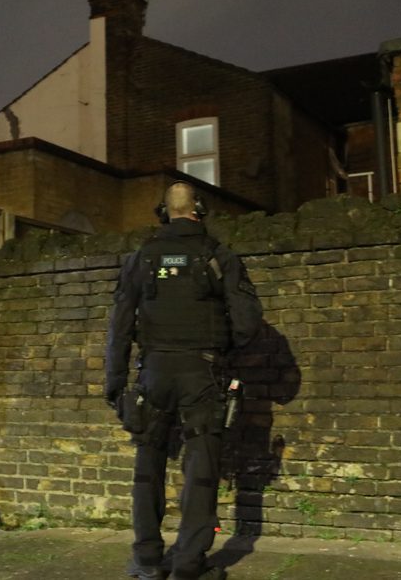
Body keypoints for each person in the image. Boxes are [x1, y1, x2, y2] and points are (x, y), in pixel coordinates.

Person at [105, 182, 263, 580]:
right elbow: (247, 324)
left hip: (153, 373)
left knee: (148, 466)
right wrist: (222, 351)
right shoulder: (218, 256)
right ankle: (189, 566)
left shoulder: (140, 259)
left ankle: (146, 561)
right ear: (200, 210)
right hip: (202, 372)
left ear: (163, 212)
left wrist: (115, 383)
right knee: (202, 470)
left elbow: (120, 328)